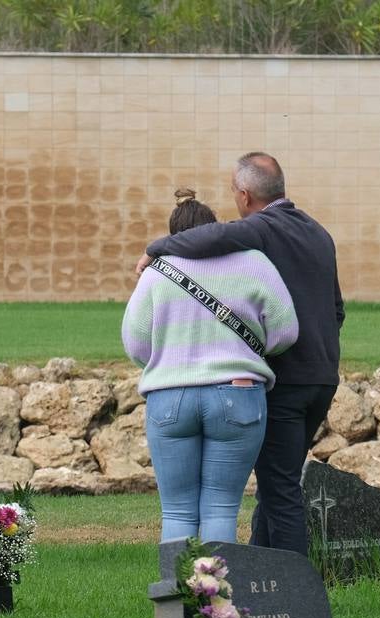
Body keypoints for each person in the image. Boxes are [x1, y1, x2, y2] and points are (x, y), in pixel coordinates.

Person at [134, 153, 343, 557]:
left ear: (245, 195)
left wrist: (156, 248)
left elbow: (211, 238)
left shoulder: (261, 229)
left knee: (279, 491)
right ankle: (259, 570)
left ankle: (292, 590)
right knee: (275, 481)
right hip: (321, 376)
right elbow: (337, 309)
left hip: (287, 379)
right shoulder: (318, 233)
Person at [122, 189, 298, 544]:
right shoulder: (254, 263)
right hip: (238, 393)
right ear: (214, 228)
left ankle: (176, 597)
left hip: (169, 396)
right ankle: (215, 599)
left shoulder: (157, 272)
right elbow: (286, 331)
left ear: (174, 234)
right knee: (221, 509)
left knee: (176, 510)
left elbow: (136, 342)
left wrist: (166, 360)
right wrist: (253, 349)